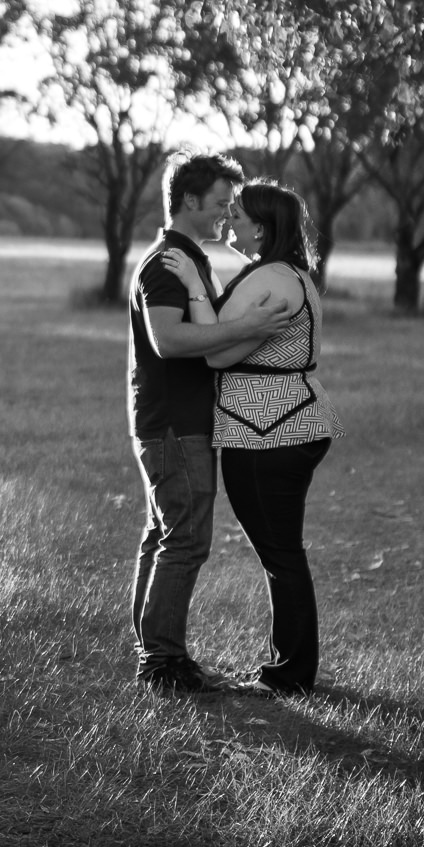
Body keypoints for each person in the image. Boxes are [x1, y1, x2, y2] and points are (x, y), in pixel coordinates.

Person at [164, 180, 343, 696]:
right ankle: (294, 666)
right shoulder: (295, 273)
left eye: (239, 215)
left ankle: (290, 675)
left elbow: (216, 354)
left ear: (262, 227)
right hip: (296, 420)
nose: (231, 222)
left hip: (267, 432)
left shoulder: (266, 277)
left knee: (280, 554)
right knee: (283, 551)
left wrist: (196, 291)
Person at [128, 154, 297, 696]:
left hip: (175, 421)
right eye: (221, 203)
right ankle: (164, 664)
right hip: (175, 424)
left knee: (164, 536)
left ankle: (155, 653)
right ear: (190, 201)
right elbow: (169, 341)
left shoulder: (188, 258)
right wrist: (250, 325)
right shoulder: (166, 263)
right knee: (186, 540)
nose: (228, 213)